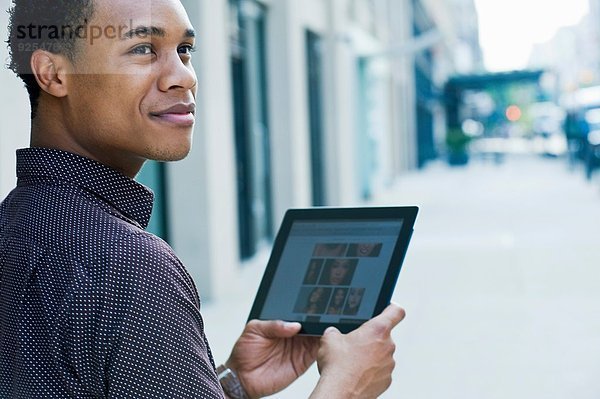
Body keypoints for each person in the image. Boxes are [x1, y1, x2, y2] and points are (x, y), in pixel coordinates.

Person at [0, 0, 406, 398]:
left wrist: (231, 382)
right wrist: (346, 385)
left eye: (184, 50)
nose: (184, 77)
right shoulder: (129, 265)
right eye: (143, 48)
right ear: (52, 74)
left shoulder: (15, 224)